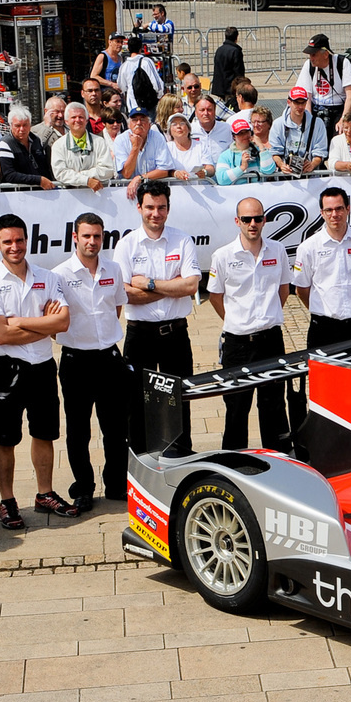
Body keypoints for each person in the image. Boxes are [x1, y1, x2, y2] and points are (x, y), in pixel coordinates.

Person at [0, 215, 75, 528]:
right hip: (9, 369)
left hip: (44, 366)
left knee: (44, 433)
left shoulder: (48, 277)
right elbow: (0, 335)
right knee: (5, 438)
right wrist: (42, 326)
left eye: (19, 240)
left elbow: (63, 323)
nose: (14, 247)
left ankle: (44, 494)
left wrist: (18, 321)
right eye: (7, 242)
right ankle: (7, 500)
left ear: (26, 241)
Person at [53, 213, 128, 513]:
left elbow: (117, 306)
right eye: (86, 236)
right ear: (75, 237)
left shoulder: (114, 269)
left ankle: (116, 484)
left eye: (97, 236)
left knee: (116, 427)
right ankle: (82, 487)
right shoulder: (59, 274)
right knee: (78, 430)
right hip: (76, 361)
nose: (92, 242)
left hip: (109, 358)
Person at [208, 199, 290, 451]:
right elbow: (215, 296)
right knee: (236, 408)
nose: (252, 224)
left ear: (264, 220)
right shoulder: (222, 256)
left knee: (274, 406)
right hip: (238, 344)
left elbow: (284, 290)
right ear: (237, 221)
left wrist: (266, 316)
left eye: (257, 218)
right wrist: (235, 320)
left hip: (271, 340)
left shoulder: (277, 251)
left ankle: (279, 462)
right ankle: (234, 464)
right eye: (247, 219)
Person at [118, 179, 201, 384]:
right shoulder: (126, 245)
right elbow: (125, 294)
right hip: (139, 337)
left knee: (179, 409)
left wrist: (149, 283)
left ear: (168, 209)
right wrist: (174, 287)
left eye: (161, 207)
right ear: (139, 207)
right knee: (135, 408)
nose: (156, 213)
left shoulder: (182, 241)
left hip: (176, 337)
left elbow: (191, 286)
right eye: (150, 207)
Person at [292, 186, 351, 348]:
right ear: (322, 213)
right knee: (323, 374)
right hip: (323, 326)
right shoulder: (308, 247)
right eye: (329, 210)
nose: (334, 214)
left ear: (348, 209)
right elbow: (302, 289)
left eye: (339, 208)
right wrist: (321, 308)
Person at [293, 33, 351, 141]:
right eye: (310, 55)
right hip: (317, 108)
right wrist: (309, 120)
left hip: (339, 109)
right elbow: (306, 96)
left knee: (340, 135)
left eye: (314, 54)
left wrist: (343, 119)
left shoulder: (342, 63)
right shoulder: (308, 65)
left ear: (325, 54)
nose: (311, 58)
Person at [52, 103, 116, 191]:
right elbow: (60, 173)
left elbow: (108, 169)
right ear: (66, 121)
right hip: (70, 196)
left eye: (81, 117)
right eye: (73, 117)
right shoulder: (58, 145)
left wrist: (81, 174)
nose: (77, 120)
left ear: (86, 120)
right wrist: (86, 180)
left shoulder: (100, 142)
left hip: (99, 195)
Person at [115, 106, 181, 184]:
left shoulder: (158, 137)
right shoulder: (120, 140)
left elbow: (164, 170)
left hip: (152, 187)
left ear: (149, 125)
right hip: (128, 190)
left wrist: (141, 178)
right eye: (135, 120)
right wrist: (135, 148)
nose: (139, 123)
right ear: (129, 125)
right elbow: (126, 173)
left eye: (142, 119)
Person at [274, 86, 328, 175]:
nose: (300, 106)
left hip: (311, 177)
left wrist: (312, 164)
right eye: (296, 103)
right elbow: (275, 152)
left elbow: (320, 152)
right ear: (289, 102)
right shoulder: (278, 124)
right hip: (285, 177)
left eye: (303, 103)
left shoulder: (318, 123)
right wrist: (282, 165)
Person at [118, 36, 165, 118]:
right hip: (148, 104)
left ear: (128, 48)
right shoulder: (146, 62)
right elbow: (157, 84)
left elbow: (122, 87)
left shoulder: (124, 66)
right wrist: (159, 96)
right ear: (141, 48)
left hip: (132, 105)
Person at [218, 117, 276, 184]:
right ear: (234, 136)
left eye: (247, 132)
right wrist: (242, 167)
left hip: (259, 192)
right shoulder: (225, 155)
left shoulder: (260, 150)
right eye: (240, 133)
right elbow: (221, 180)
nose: (245, 135)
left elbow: (269, 170)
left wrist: (261, 146)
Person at [212, 27, 246, 102]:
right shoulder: (235, 51)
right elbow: (238, 71)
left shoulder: (219, 50)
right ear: (236, 37)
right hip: (230, 88)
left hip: (219, 87)